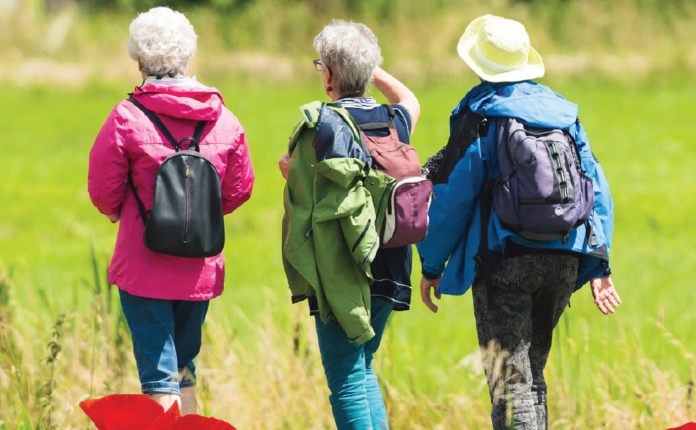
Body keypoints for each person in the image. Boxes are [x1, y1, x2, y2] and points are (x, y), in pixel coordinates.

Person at [417, 15, 621, 430]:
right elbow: (595, 186)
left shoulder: (482, 115)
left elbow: (453, 195)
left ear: (479, 65)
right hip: (565, 257)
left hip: (505, 260)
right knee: (532, 375)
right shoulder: (562, 113)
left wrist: (432, 265)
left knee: (509, 382)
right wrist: (599, 260)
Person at [87, 7, 254, 415]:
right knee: (183, 369)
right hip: (200, 265)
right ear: (188, 56)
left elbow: (103, 189)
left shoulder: (126, 116)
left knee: (159, 380)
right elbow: (238, 190)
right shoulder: (225, 120)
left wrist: (117, 212)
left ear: (139, 60)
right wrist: (197, 215)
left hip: (143, 264)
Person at [279, 20, 420, 430]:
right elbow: (409, 96)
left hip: (346, 268)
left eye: (320, 65)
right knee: (365, 365)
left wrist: (285, 169)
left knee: (345, 377)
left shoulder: (321, 124)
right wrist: (366, 68)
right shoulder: (395, 120)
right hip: (393, 261)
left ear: (328, 75)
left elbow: (302, 185)